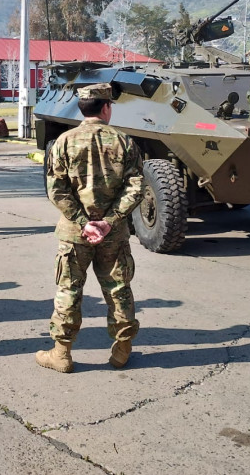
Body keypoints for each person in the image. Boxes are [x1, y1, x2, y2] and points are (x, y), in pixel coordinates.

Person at [36, 83, 144, 373]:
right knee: (118, 289)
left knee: (68, 290)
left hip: (74, 234)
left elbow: (56, 190)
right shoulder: (124, 142)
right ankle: (122, 351)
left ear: (81, 108)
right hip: (114, 234)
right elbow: (136, 188)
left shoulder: (63, 142)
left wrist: (84, 223)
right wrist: (108, 222)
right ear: (106, 107)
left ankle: (61, 354)